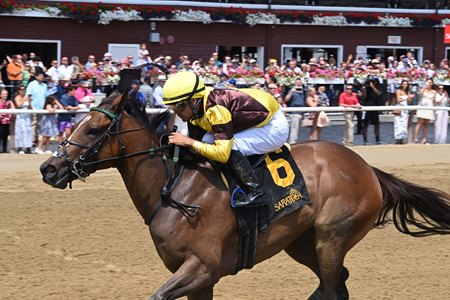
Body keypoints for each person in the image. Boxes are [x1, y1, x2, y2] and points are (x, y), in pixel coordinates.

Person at [162, 71, 289, 207]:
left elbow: (223, 154)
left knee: (230, 147)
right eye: (172, 107)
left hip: (273, 127)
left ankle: (256, 191)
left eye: (179, 106)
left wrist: (189, 142)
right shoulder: (196, 109)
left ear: (194, 101)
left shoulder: (215, 109)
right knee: (205, 140)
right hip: (253, 121)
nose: (176, 112)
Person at [414, 79, 436, 144]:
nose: (429, 83)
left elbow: (434, 100)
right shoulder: (423, 89)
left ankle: (424, 138)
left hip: (430, 107)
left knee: (426, 124)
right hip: (422, 107)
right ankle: (415, 138)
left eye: (431, 82)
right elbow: (420, 94)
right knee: (419, 122)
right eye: (428, 82)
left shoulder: (434, 91)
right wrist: (424, 87)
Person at [361, 78, 383, 145]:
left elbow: (379, 94)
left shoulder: (378, 87)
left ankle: (377, 139)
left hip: (375, 107)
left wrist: (373, 87)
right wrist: (364, 87)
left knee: (376, 125)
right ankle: (365, 140)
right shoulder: (366, 88)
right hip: (367, 107)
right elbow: (364, 96)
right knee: (365, 125)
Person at [284, 78, 305, 144]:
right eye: (297, 82)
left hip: (302, 112)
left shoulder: (303, 91)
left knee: (299, 129)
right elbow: (286, 99)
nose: (298, 83)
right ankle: (292, 143)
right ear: (295, 83)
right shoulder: (291, 90)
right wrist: (291, 92)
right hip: (294, 112)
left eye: (300, 82)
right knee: (294, 128)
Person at [13, 85, 33, 154]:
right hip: (20, 117)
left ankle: (28, 147)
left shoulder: (26, 97)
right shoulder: (17, 97)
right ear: (18, 90)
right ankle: (20, 147)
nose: (23, 91)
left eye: (24, 89)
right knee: (21, 131)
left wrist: (29, 101)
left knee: (28, 131)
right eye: (21, 89)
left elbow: (30, 107)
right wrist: (24, 99)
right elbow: (19, 105)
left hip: (27, 116)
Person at [394, 80, 413, 145]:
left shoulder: (408, 92)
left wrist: (410, 97)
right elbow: (398, 100)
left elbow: (409, 101)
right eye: (404, 84)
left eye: (406, 84)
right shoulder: (398, 91)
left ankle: (402, 139)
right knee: (398, 124)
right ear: (401, 84)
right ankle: (397, 139)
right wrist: (407, 98)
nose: (405, 85)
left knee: (404, 124)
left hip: (405, 108)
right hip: (400, 107)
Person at [0, 88, 15, 153]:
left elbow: (13, 109)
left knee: (5, 136)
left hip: (7, 122)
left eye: (6, 94)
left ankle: (4, 149)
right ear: (0, 95)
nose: (5, 95)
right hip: (0, 121)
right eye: (3, 94)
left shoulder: (9, 102)